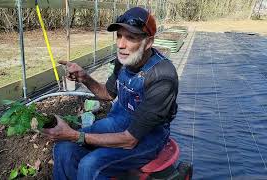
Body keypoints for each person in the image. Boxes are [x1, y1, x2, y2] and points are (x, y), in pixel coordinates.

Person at [43, 7, 178, 180]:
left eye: (131, 37)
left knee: (90, 166)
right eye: (119, 36)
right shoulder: (124, 61)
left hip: (147, 136)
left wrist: (76, 135)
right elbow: (108, 93)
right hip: (118, 122)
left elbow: (130, 140)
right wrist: (85, 78)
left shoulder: (163, 77)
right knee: (63, 148)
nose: (121, 44)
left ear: (148, 42)